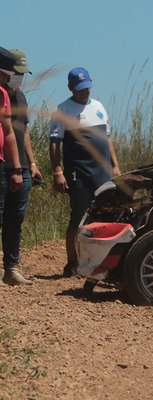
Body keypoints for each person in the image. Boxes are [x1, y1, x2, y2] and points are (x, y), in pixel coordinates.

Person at [50, 67, 121, 277]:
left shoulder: (99, 106)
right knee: (79, 217)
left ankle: (103, 261)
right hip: (78, 173)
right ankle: (72, 263)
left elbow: (107, 139)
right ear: (70, 88)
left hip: (103, 173)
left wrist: (115, 165)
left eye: (87, 87)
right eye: (80, 89)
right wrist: (57, 171)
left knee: (106, 214)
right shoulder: (62, 110)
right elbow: (54, 143)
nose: (85, 92)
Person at [0, 49, 42, 285]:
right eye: (16, 74)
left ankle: (12, 268)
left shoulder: (21, 97)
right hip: (4, 165)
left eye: (22, 75)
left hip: (22, 167)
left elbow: (23, 130)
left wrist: (32, 163)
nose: (19, 79)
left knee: (15, 220)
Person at [0, 47, 25, 285]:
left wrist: (17, 168)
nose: (8, 79)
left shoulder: (4, 96)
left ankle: (10, 268)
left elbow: (10, 133)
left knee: (7, 218)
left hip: (2, 164)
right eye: (4, 74)